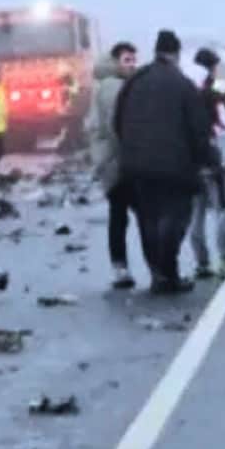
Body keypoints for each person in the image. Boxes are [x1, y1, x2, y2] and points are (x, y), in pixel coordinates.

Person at [114, 30, 212, 294]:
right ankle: (168, 272)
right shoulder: (182, 84)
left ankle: (158, 274)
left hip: (137, 166)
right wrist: (205, 160)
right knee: (174, 218)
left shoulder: (135, 81)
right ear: (176, 54)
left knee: (148, 219)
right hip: (175, 167)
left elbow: (118, 122)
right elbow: (199, 128)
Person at [86, 41, 139, 289]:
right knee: (127, 215)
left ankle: (121, 266)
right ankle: (125, 267)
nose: (132, 64)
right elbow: (115, 127)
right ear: (116, 62)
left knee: (119, 216)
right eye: (127, 60)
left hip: (113, 161)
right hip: (117, 161)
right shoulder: (112, 87)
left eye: (133, 59)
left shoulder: (116, 84)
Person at [184, 49, 225, 280]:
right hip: (215, 162)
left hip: (192, 163)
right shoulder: (215, 95)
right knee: (224, 211)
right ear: (211, 68)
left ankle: (201, 262)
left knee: (196, 214)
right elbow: (223, 128)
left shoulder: (184, 94)